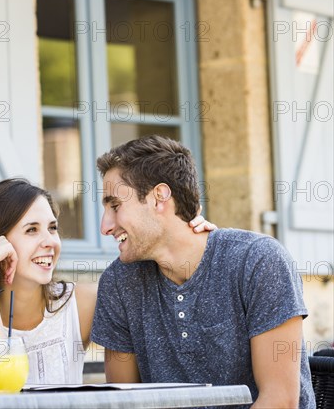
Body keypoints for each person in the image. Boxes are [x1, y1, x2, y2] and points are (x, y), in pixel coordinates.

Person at [0, 177, 213, 388]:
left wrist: (188, 241)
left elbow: (166, 296)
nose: (49, 242)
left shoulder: (80, 304)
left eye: (52, 228)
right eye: (31, 230)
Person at [91, 135, 315, 408]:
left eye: (115, 206)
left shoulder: (258, 262)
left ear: (159, 197)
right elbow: (125, 403)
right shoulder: (119, 282)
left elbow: (280, 400)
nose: (105, 226)